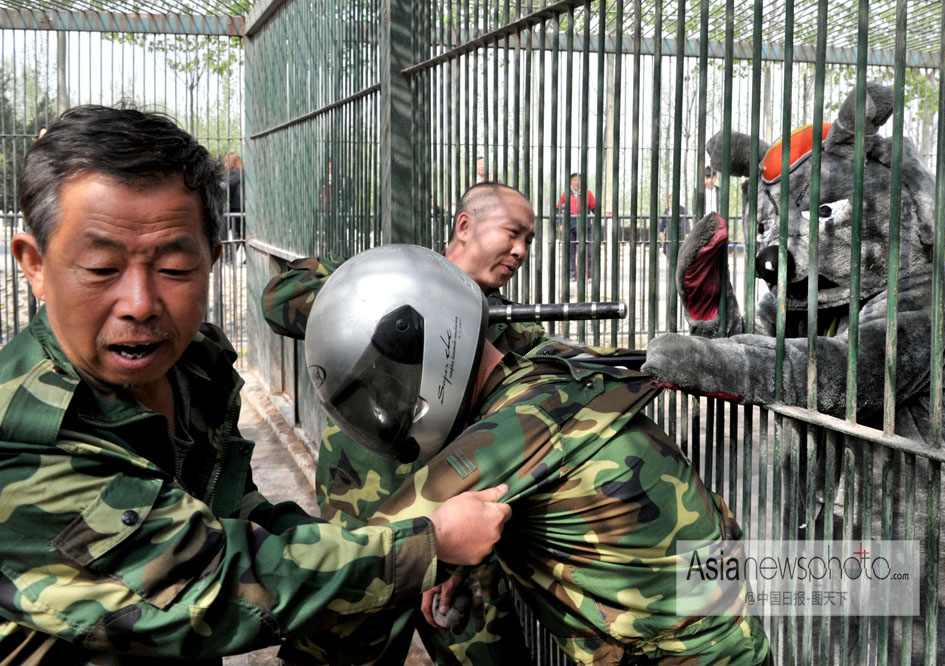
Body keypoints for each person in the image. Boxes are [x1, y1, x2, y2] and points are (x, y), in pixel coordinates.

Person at [0, 104, 510, 665]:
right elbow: (204, 588)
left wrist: (373, 546)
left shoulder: (192, 364)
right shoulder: (23, 443)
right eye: (101, 268)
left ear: (213, 260)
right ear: (35, 265)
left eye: (173, 269)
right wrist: (423, 546)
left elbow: (230, 508)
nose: (141, 304)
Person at [304, 245, 771, 666]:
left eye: (390, 380)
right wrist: (451, 559)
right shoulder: (544, 374)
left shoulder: (505, 435)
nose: (391, 402)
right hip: (725, 633)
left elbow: (365, 561)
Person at [261, 182, 545, 665]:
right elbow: (278, 298)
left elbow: (565, 377)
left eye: (529, 243)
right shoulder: (386, 278)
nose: (520, 251)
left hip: (458, 539)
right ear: (464, 226)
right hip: (366, 530)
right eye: (513, 233)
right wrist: (386, 313)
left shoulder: (510, 333)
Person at [556, 172, 596, 281]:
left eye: (579, 180)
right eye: (574, 180)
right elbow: (557, 210)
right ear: (570, 182)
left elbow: (594, 208)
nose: (576, 182)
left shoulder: (588, 194)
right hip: (570, 223)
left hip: (585, 223)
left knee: (589, 251)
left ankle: (590, 276)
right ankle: (572, 275)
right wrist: (560, 223)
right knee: (570, 251)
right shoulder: (566, 194)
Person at [222, 151, 243, 241]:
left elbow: (226, 189)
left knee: (230, 236)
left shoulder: (234, 173)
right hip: (243, 209)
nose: (225, 165)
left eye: (227, 161)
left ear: (233, 162)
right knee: (240, 236)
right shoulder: (244, 173)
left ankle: (227, 255)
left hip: (235, 209)